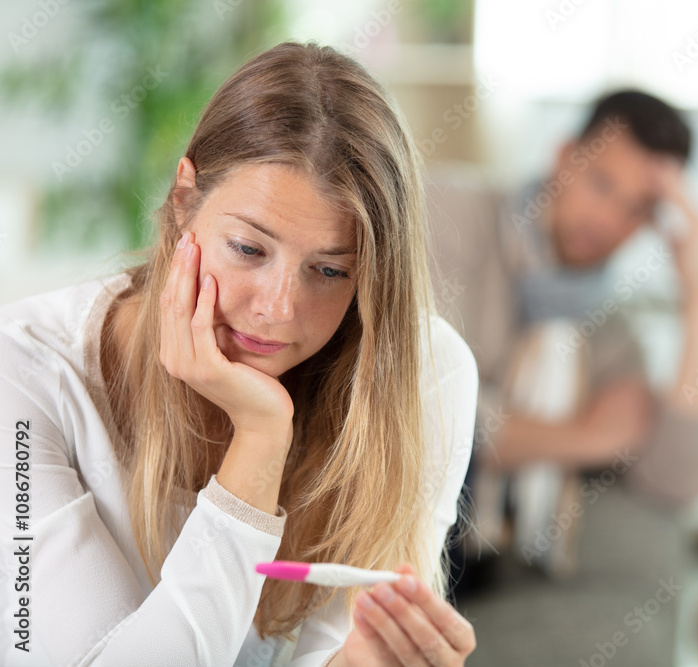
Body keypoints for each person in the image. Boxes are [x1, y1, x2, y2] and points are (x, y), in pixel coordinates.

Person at [0, 42, 478, 666]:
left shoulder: (424, 375)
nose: (278, 308)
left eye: (330, 271)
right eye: (249, 250)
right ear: (184, 201)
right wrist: (259, 440)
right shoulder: (25, 373)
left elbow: (340, 650)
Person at [425, 89, 698, 582]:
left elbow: (678, 480)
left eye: (638, 207)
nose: (608, 220)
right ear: (564, 159)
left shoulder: (609, 330)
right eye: (601, 183)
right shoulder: (450, 215)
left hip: (475, 564)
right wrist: (587, 437)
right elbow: (423, 416)